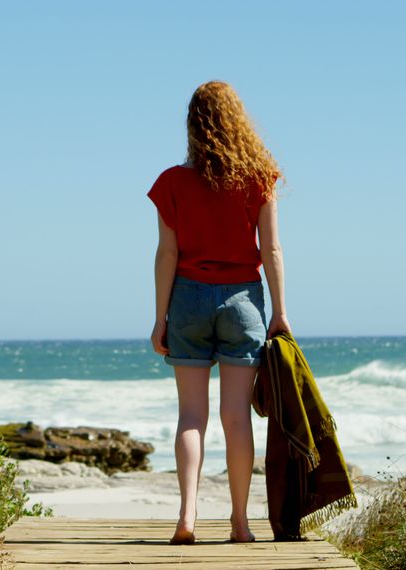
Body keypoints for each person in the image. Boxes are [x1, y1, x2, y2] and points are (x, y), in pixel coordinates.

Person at [147, 81, 291, 546]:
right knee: (236, 419)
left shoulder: (171, 182)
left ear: (193, 124)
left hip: (187, 299)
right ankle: (240, 523)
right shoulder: (260, 176)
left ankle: (186, 515)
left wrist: (159, 317)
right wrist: (281, 312)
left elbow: (167, 254)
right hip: (244, 301)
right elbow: (270, 248)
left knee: (191, 417)